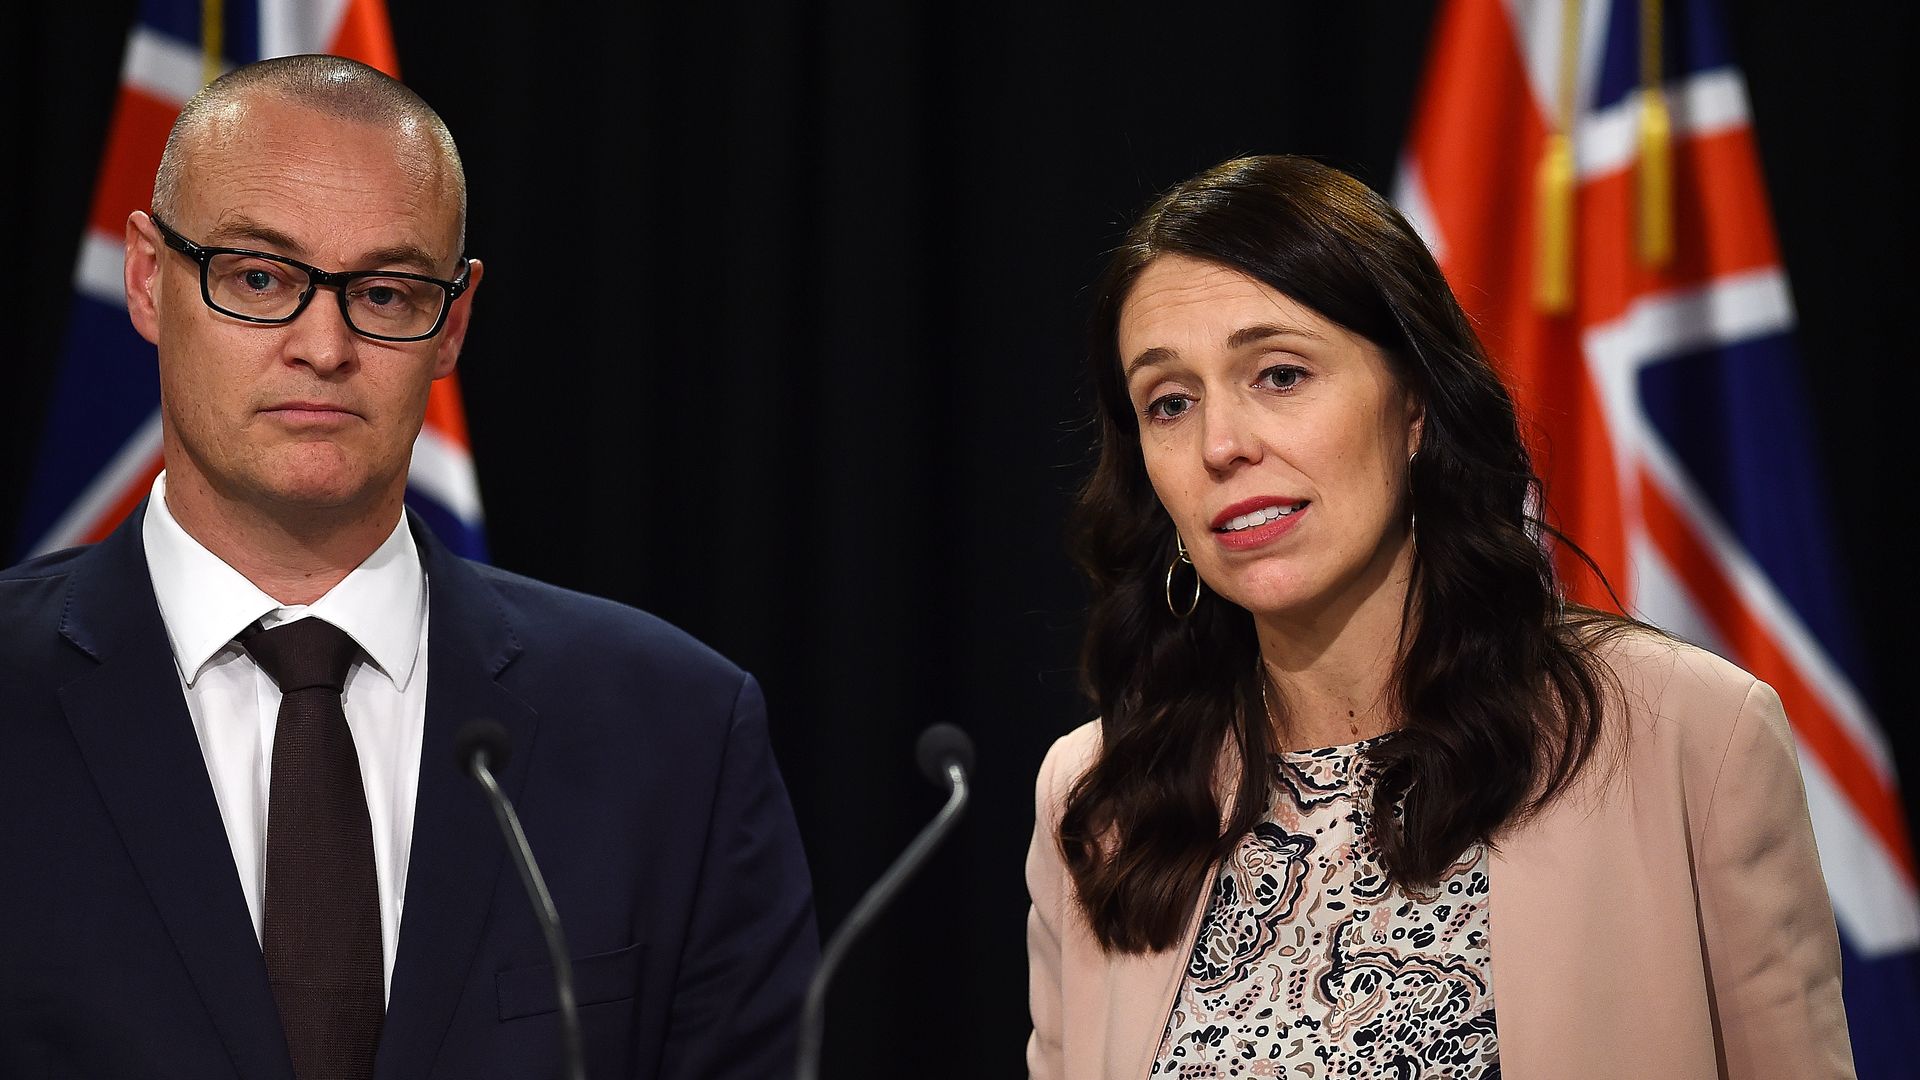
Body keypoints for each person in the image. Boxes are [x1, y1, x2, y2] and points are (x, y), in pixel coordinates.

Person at [0, 55, 815, 1079]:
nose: (324, 344)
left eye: (384, 293)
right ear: (148, 281)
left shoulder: (676, 734)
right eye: (260, 278)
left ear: (454, 321)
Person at [1025, 155, 1853, 1079]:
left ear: (1413, 402)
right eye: (1169, 403)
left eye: (1281, 375)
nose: (1222, 445)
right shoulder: (1101, 799)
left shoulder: (1688, 735)